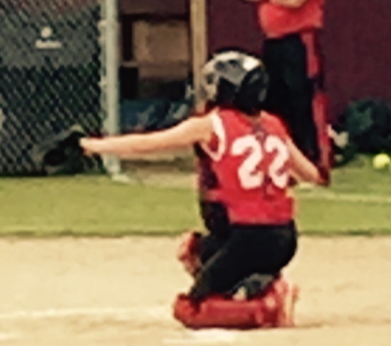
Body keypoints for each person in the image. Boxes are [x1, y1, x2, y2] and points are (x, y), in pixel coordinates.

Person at [81, 51, 322, 330]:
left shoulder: (211, 124)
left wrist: (95, 146)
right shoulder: (273, 124)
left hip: (248, 238)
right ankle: (258, 285)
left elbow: (149, 144)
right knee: (193, 247)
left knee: (189, 310)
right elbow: (311, 174)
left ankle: (266, 305)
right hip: (285, 238)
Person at [241, 0, 332, 183]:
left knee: (303, 100)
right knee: (275, 102)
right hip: (273, 41)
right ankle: (284, 164)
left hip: (299, 41)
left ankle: (315, 163)